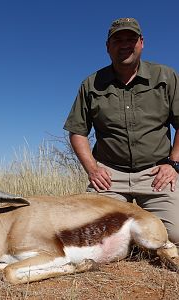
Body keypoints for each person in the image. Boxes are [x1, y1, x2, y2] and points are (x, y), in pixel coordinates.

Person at [64, 17, 179, 247]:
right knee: (88, 236)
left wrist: (173, 164)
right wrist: (93, 169)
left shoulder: (165, 77)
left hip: (156, 174)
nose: (125, 44)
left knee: (174, 235)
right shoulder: (91, 84)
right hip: (109, 177)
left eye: (131, 39)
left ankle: (130, 233)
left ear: (142, 43)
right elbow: (77, 131)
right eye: (118, 40)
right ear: (108, 47)